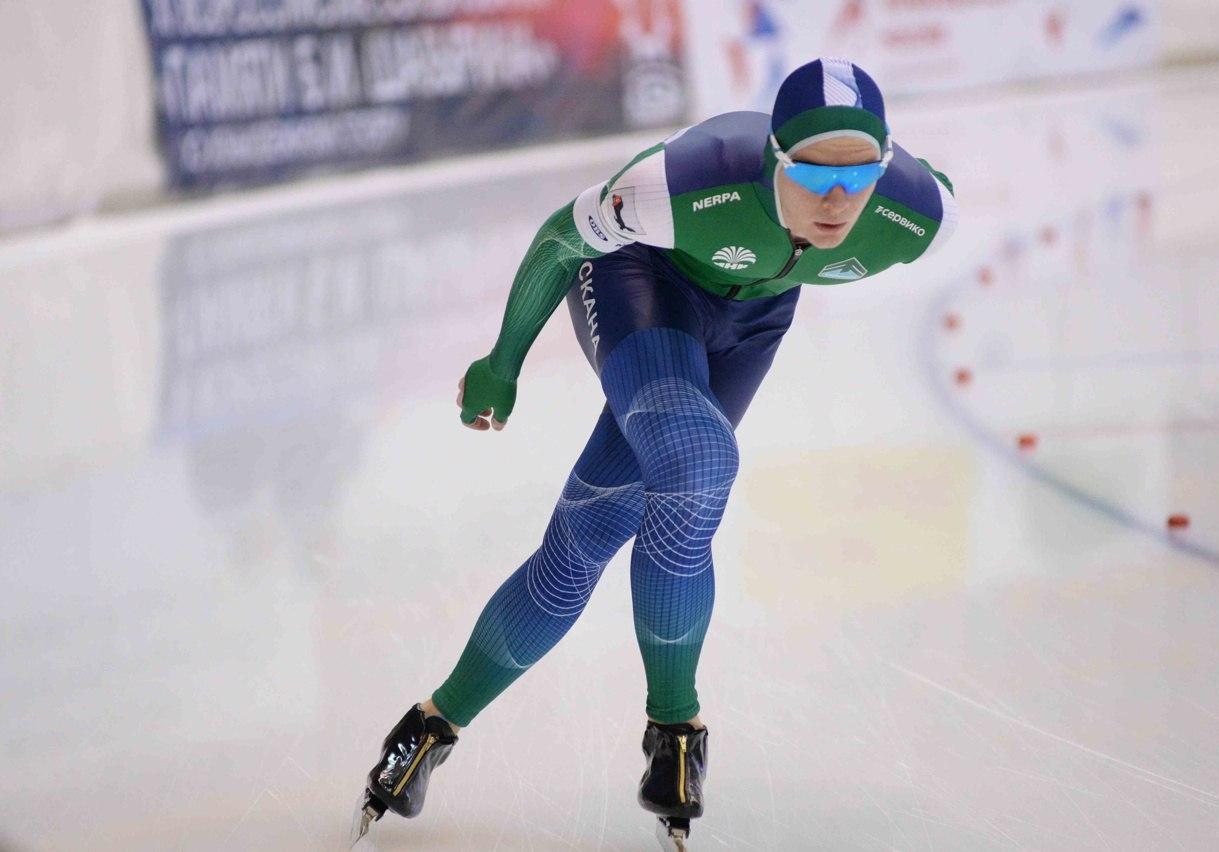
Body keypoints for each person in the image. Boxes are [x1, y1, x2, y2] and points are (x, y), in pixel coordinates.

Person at [352, 57, 956, 851]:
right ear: (774, 158)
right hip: (641, 280)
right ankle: (676, 729)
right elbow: (560, 239)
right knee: (698, 461)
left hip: (753, 323)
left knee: (583, 545)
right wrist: (503, 363)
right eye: (814, 172)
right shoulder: (683, 185)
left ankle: (429, 728)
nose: (838, 198)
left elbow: (931, 187)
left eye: (861, 174)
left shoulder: (912, 214)